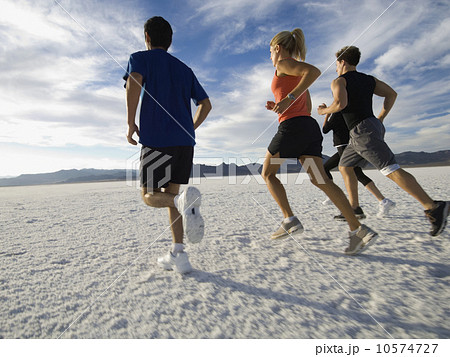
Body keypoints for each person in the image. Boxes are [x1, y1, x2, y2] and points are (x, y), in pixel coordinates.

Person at [262, 29, 377, 255]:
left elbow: (314, 71)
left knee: (267, 173)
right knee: (321, 179)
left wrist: (287, 100)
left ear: (277, 48)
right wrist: (280, 104)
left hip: (293, 129)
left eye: (269, 51)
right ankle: (358, 229)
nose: (270, 56)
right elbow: (305, 106)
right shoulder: (295, 73)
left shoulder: (284, 64)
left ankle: (290, 220)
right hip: (307, 128)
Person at [317, 45, 448, 237]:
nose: (336, 67)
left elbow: (340, 104)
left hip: (362, 131)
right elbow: (391, 94)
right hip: (363, 130)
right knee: (345, 166)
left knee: (389, 168)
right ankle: (355, 208)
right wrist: (380, 118)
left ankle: (433, 206)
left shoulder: (339, 81)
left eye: (336, 63)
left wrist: (323, 111)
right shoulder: (369, 80)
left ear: (343, 62)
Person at [124, 16, 212, 273]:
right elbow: (206, 105)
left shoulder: (140, 58)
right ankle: (179, 254)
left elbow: (134, 83)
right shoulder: (185, 69)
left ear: (147, 37)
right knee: (173, 194)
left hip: (156, 139)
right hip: (184, 143)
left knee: (150, 196)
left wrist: (130, 123)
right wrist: (190, 127)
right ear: (170, 41)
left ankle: (183, 207)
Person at [322, 111, 396, 219]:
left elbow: (325, 129)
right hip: (349, 145)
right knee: (328, 169)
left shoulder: (337, 113)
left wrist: (327, 115)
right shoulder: (347, 113)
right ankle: (377, 202)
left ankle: (380, 201)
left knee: (357, 173)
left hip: (344, 146)